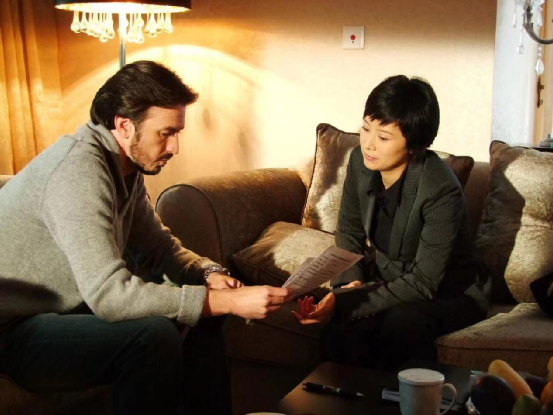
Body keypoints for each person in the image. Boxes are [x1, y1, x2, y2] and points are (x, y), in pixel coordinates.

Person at [0, 60, 292, 415]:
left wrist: (208, 274)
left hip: (61, 313)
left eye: (177, 133)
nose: (175, 147)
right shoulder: (78, 173)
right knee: (152, 337)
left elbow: (158, 247)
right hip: (14, 330)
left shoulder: (124, 167)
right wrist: (225, 302)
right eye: (165, 133)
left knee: (203, 315)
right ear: (124, 126)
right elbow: (110, 296)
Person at [293, 75, 488, 371]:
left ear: (413, 145)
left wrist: (349, 301)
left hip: (449, 291)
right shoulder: (359, 162)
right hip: (388, 277)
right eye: (365, 128)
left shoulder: (439, 188)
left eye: (383, 137)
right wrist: (348, 286)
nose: (369, 144)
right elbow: (349, 232)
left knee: (401, 325)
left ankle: (397, 396)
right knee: (341, 327)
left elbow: (424, 281)